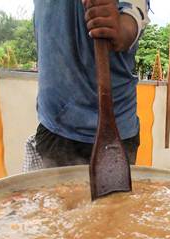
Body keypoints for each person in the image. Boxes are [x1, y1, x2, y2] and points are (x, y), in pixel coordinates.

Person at [31, 0, 150, 169]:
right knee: (55, 194)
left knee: (117, 196)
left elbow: (134, 16)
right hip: (55, 124)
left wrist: (118, 26)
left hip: (116, 130)